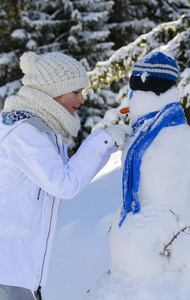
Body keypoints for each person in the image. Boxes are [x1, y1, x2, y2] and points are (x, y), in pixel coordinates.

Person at [0, 51, 132, 300]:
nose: (82, 99)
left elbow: (64, 176)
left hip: (19, 270)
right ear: (54, 91)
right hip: (8, 270)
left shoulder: (39, 127)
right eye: (76, 92)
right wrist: (103, 140)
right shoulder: (25, 133)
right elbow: (64, 183)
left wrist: (108, 144)